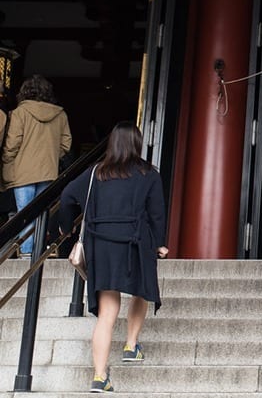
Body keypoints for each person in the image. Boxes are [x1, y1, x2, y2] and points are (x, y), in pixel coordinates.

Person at [58, 121, 168, 393]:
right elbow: (156, 214)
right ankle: (131, 345)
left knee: (107, 313)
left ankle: (99, 376)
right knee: (141, 292)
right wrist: (160, 244)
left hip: (102, 243)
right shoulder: (148, 174)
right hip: (135, 242)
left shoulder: (97, 173)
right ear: (137, 145)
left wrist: (65, 228)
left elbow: (67, 195)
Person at [2, 75, 72, 259]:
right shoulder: (60, 114)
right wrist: (50, 157)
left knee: (24, 214)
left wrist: (7, 160)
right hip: (48, 171)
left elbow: (12, 143)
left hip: (22, 172)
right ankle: (37, 251)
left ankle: (26, 254)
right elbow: (66, 144)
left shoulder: (20, 113)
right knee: (41, 214)